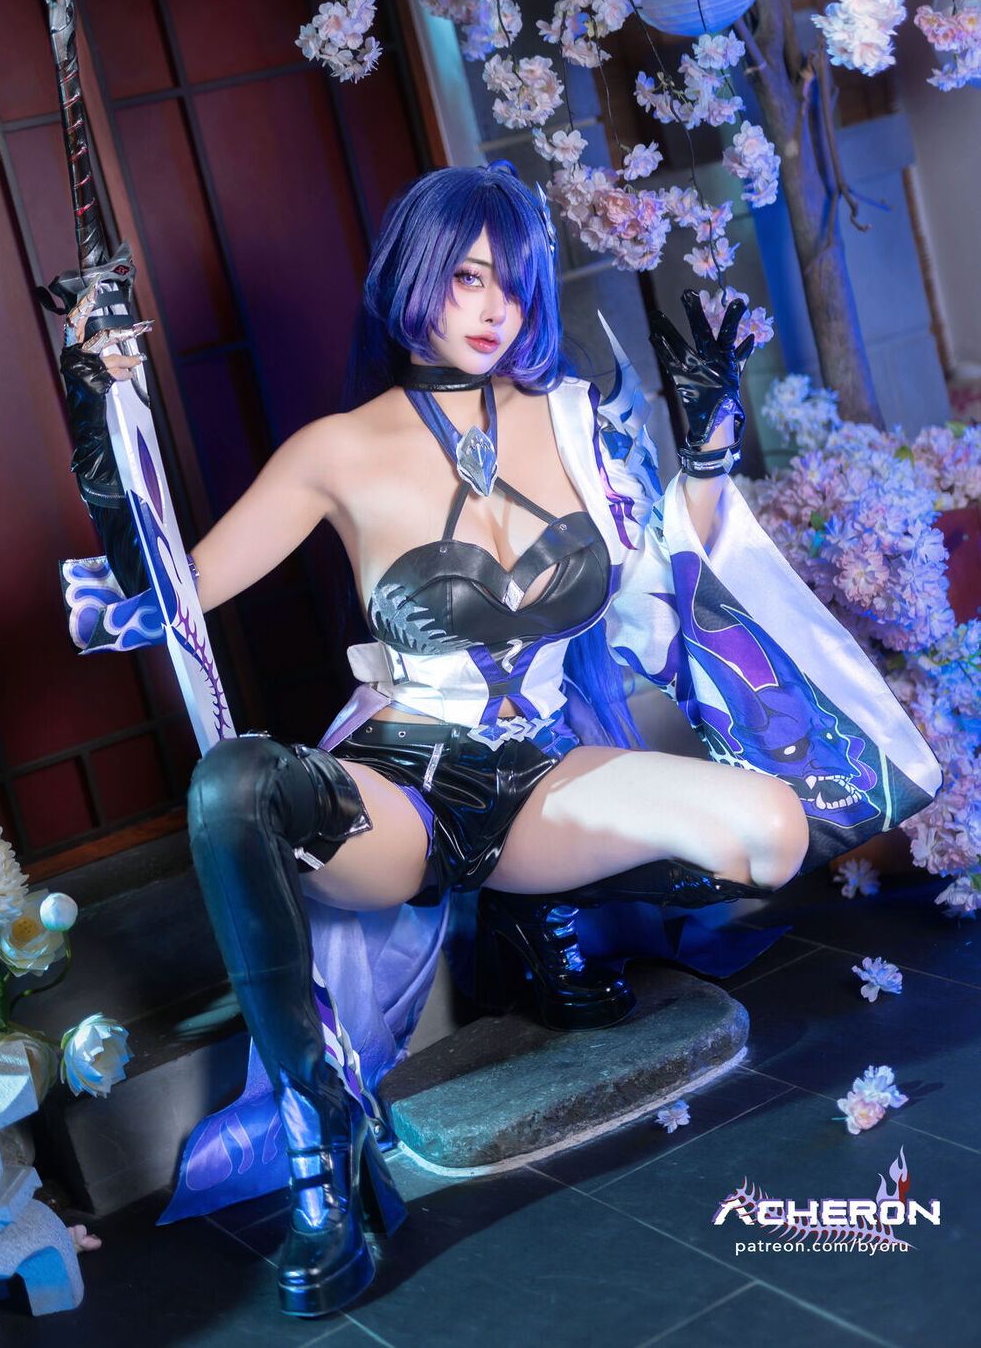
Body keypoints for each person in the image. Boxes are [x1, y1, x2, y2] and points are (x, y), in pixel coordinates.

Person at [57, 163, 940, 1319]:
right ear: (412, 276)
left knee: (773, 832)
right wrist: (98, 413)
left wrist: (710, 451)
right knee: (234, 784)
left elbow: (664, 601)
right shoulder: (336, 451)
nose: (493, 309)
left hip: (538, 781)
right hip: (398, 796)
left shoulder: (574, 419)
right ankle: (322, 1143)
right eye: (467, 277)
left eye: (516, 286)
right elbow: (169, 597)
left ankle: (534, 916)